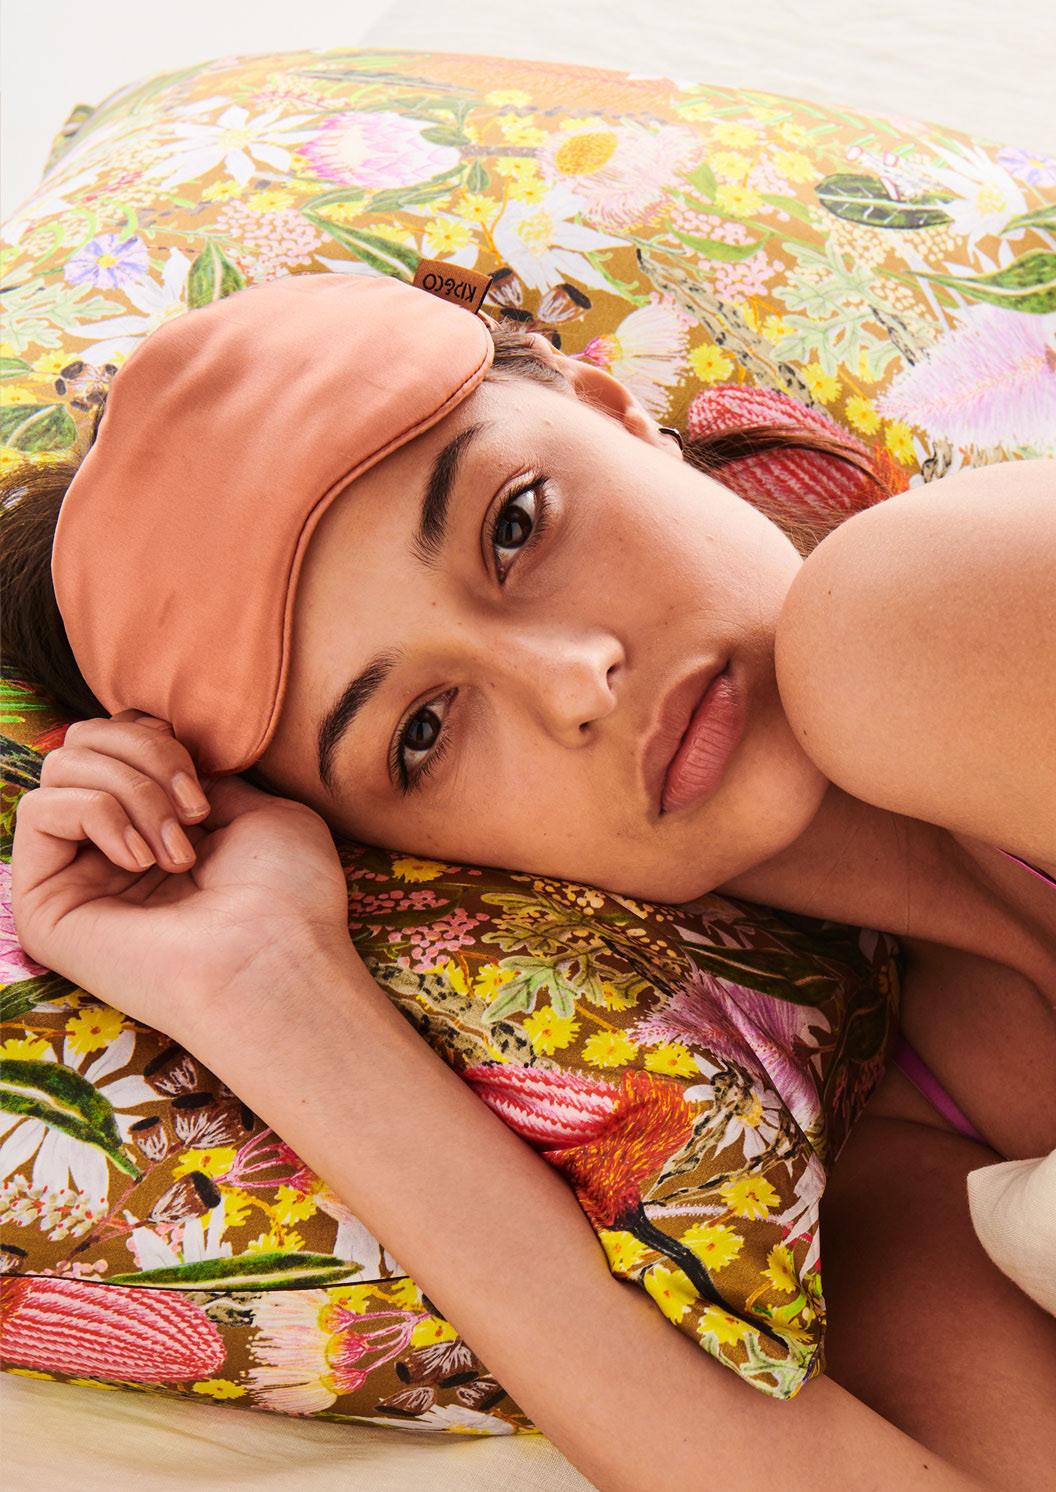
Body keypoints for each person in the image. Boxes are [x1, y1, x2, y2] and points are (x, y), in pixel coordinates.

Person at [4, 270, 1054, 1489]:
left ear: (612, 410)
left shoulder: (905, 611)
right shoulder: (901, 1155)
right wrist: (269, 986)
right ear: (410, 861)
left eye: (516, 525)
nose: (573, 682)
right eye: (423, 732)